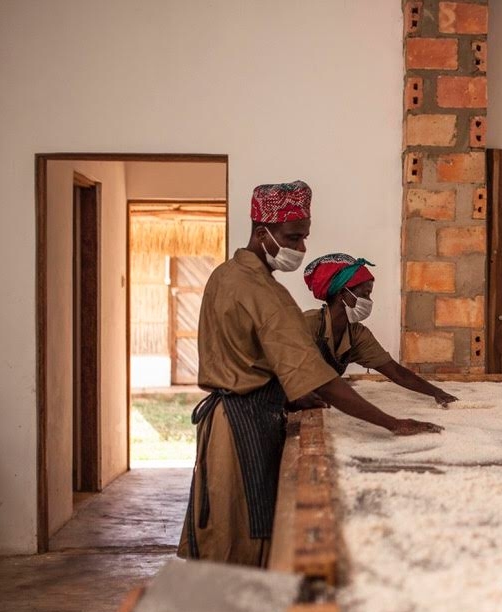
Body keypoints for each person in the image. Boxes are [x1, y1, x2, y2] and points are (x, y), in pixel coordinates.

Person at [179, 181, 442, 568]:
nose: (300, 248)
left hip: (229, 417)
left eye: (304, 238)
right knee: (244, 535)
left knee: (223, 530)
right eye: (293, 237)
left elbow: (255, 359)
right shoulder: (267, 295)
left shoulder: (226, 274)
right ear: (261, 231)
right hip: (243, 424)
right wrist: (390, 422)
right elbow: (318, 379)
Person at [301, 252, 459, 407]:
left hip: (314, 404)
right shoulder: (307, 325)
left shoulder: (356, 334)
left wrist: (437, 393)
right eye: (365, 294)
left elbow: (396, 372)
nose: (369, 301)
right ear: (343, 293)